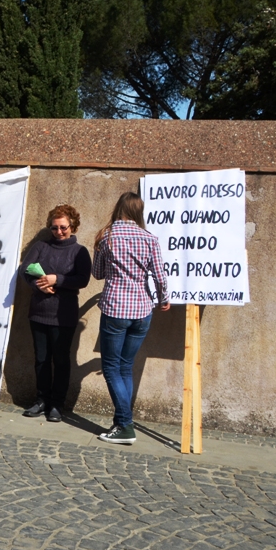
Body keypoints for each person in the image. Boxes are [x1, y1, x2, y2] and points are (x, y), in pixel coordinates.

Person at [91, 191, 170, 445]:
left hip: (115, 308)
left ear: (118, 208)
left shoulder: (107, 236)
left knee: (111, 368)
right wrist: (163, 299)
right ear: (138, 211)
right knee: (125, 367)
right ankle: (122, 422)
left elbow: (98, 273)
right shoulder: (150, 238)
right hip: (142, 310)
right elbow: (160, 275)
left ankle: (125, 425)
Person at [19, 204, 91, 424]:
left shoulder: (79, 251)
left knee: (60, 360)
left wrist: (56, 279)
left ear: (73, 226)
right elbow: (25, 269)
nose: (59, 232)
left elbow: (83, 279)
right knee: (41, 359)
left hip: (64, 315)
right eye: (54, 228)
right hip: (39, 312)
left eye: (63, 228)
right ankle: (41, 400)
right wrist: (38, 285)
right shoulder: (41, 246)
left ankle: (57, 405)